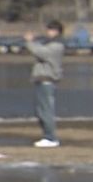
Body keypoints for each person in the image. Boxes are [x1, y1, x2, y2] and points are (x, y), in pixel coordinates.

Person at [25, 19, 66, 148]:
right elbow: (40, 48)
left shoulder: (57, 46)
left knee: (46, 110)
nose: (48, 32)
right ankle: (47, 136)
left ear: (56, 31)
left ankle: (50, 138)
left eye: (50, 30)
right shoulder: (50, 44)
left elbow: (41, 52)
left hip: (47, 81)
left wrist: (30, 41)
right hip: (41, 80)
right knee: (40, 111)